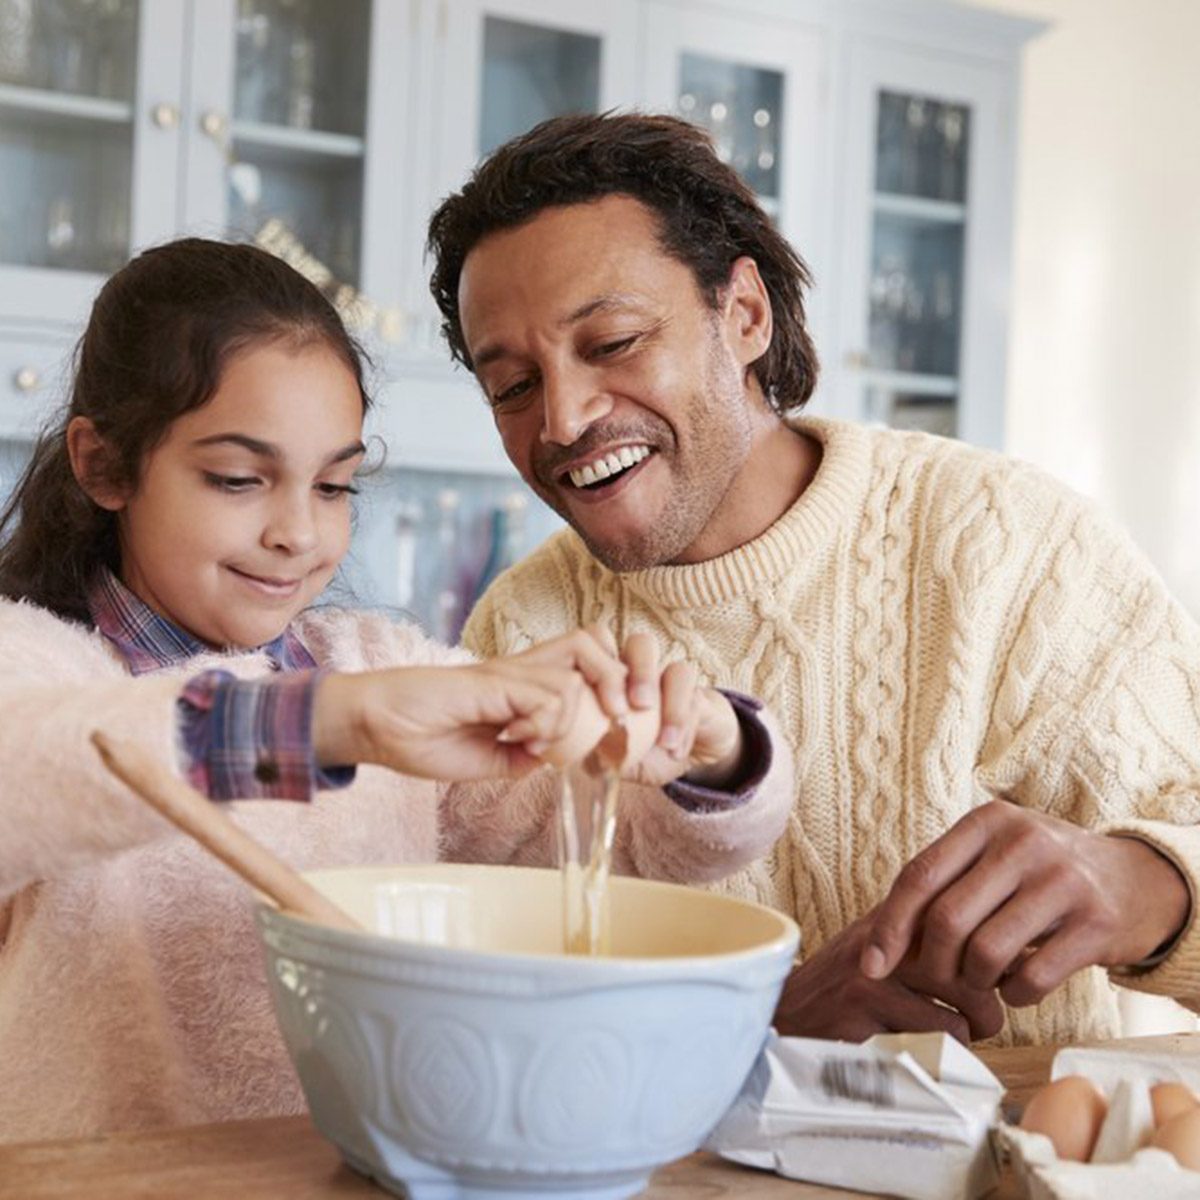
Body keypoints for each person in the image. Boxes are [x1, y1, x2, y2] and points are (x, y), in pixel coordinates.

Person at [426, 112, 1200, 1049]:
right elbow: (493, 1013)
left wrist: (1148, 887)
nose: (562, 420)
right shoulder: (521, 626)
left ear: (744, 314)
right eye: (511, 386)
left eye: (615, 341)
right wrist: (761, 1026)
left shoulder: (1011, 550)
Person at [0, 238, 794, 1143]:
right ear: (104, 467)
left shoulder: (374, 660)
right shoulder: (37, 661)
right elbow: (42, 767)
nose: (299, 533)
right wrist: (336, 725)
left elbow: (617, 861)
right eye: (236, 479)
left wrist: (708, 754)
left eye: (334, 485)